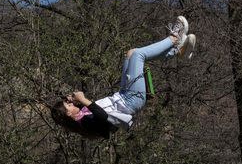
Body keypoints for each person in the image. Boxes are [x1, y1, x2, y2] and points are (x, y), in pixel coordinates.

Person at [51, 16, 197, 138]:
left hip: (123, 95)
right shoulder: (85, 123)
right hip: (132, 100)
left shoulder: (82, 114)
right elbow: (102, 116)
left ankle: (177, 52)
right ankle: (174, 37)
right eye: (68, 105)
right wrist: (83, 99)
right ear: (68, 113)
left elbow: (89, 107)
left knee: (131, 53)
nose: (71, 104)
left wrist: (74, 98)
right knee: (139, 55)